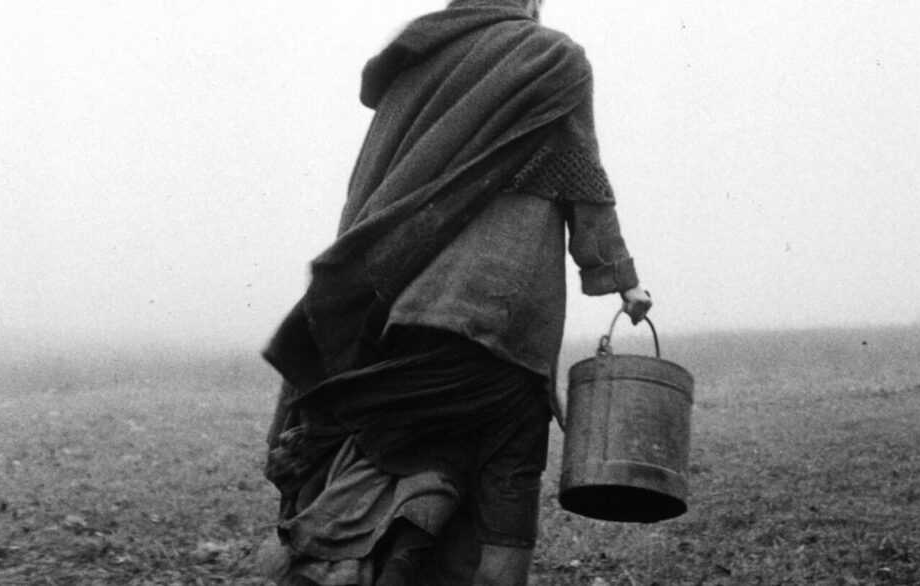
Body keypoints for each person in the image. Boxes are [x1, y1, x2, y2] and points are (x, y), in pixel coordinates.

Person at [260, 0, 651, 583]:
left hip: (401, 311)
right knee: (504, 485)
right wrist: (622, 278)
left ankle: (375, 535)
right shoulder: (552, 58)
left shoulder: (415, 62)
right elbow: (583, 180)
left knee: (413, 452)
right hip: (504, 321)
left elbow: (369, 190)